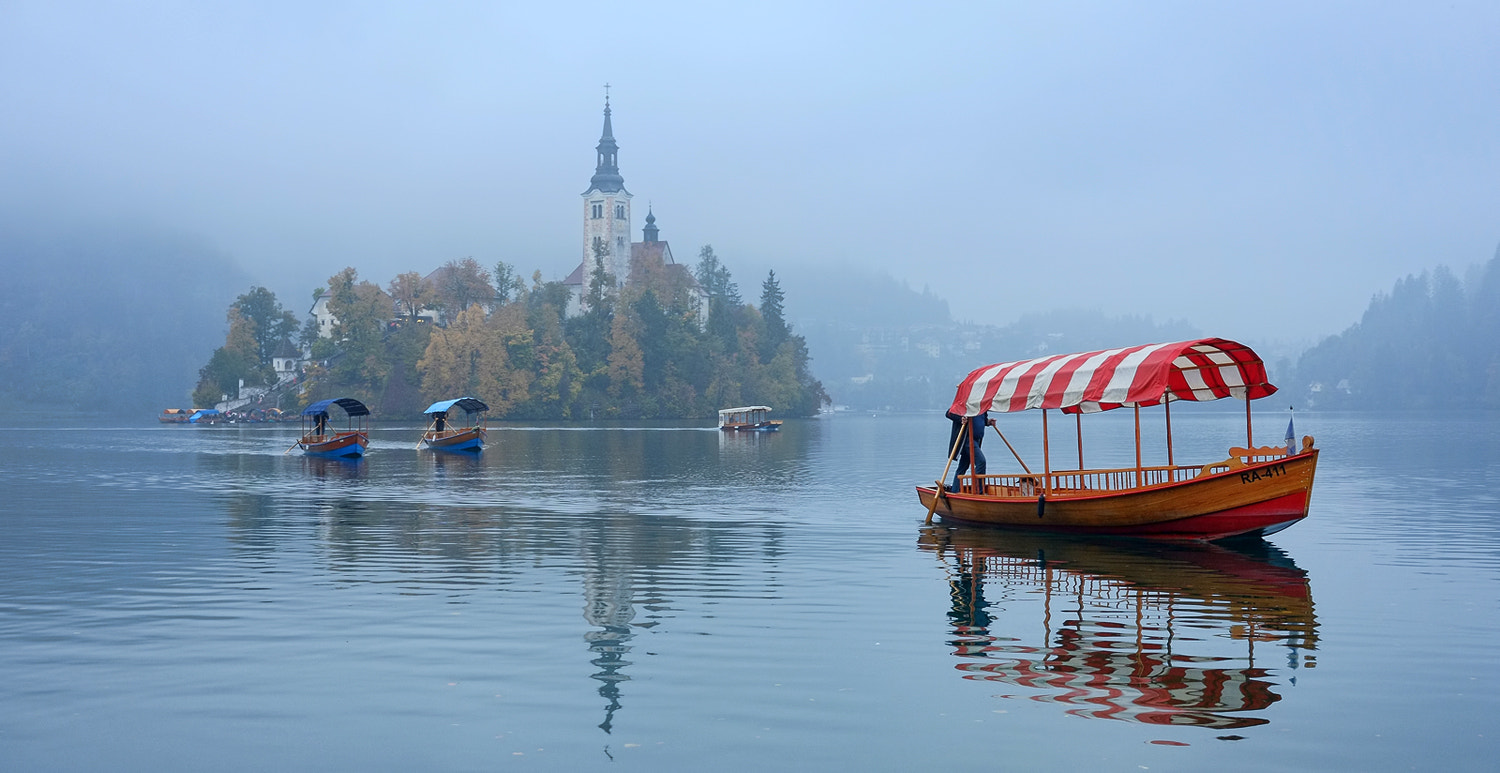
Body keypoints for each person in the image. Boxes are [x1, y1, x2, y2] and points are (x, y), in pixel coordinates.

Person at [945, 410, 996, 492]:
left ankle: (954, 490)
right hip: (967, 439)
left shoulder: (982, 404)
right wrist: (961, 418)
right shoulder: (966, 401)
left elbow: (981, 419)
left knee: (963, 466)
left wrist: (988, 422)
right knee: (981, 462)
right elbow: (949, 413)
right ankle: (979, 491)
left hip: (977, 440)